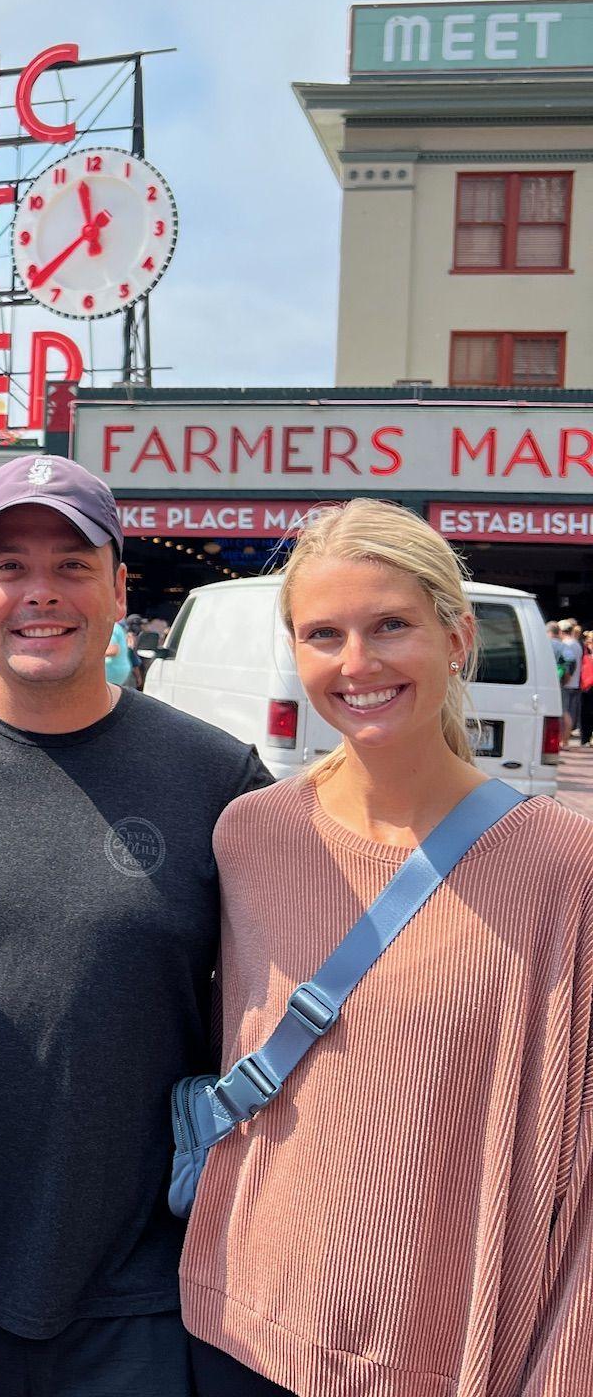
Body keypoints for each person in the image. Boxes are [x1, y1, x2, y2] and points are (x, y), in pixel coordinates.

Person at [0, 454, 271, 1397]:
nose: (42, 594)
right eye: (11, 567)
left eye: (73, 566)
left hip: (143, 1302)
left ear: (119, 588)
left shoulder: (216, 781)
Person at [181, 500, 593, 1396]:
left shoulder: (566, 869)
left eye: (391, 626)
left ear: (454, 637)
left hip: (447, 1357)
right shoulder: (250, 837)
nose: (356, 664)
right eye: (323, 633)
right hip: (236, 1329)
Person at [557, 619, 584, 742]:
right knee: (571, 712)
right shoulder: (577, 644)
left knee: (564, 713)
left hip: (567, 683)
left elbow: (568, 664)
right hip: (576, 682)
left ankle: (564, 740)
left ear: (561, 631)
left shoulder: (566, 645)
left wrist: (564, 680)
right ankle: (566, 739)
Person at [104, 616, 134, 685]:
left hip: (112, 670)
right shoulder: (116, 627)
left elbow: (113, 650)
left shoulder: (112, 628)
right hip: (119, 669)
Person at [582, 627, 593, 746]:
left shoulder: (587, 657)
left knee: (587, 713)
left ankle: (586, 738)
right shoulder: (586, 655)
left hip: (588, 687)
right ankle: (586, 738)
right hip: (587, 687)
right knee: (586, 713)